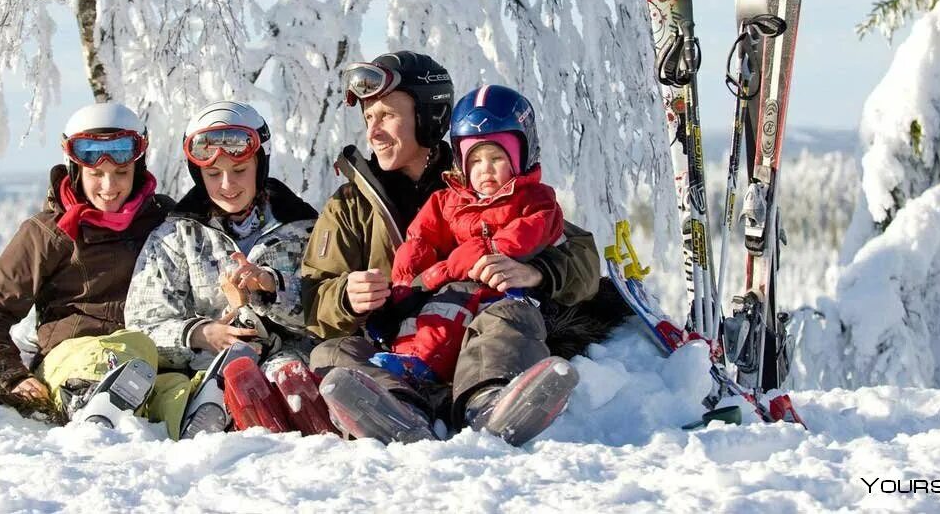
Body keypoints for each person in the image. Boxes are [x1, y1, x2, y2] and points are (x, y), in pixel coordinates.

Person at [300, 51, 601, 446]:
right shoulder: (351, 206)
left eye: (387, 115)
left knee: (508, 320)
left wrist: (539, 271)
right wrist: (346, 297)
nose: (373, 131)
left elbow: (580, 257)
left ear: (428, 117)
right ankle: (399, 412)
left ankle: (489, 404)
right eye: (368, 118)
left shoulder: (482, 179)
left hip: (477, 344)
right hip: (403, 352)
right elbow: (314, 301)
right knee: (330, 353)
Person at [125, 101, 333, 438]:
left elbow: (332, 310)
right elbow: (141, 327)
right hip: (209, 370)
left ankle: (311, 430)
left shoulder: (304, 230)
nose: (227, 184)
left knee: (288, 374)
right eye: (212, 174)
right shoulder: (176, 237)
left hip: (293, 359)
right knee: (232, 374)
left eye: (239, 170)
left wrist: (272, 289)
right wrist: (200, 334)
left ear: (259, 164)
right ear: (198, 175)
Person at [0, 102, 173, 428]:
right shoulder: (49, 233)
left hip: (151, 359)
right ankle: (89, 405)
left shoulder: (161, 220)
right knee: (121, 354)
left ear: (138, 169)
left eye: (121, 173)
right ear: (76, 170)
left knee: (172, 388)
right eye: (96, 174)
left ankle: (194, 416)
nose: (109, 186)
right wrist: (11, 376)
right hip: (72, 359)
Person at [379, 84, 565, 384]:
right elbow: (421, 238)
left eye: (497, 158)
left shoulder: (534, 198)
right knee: (423, 310)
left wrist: (484, 250)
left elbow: (531, 230)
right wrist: (409, 278)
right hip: (455, 284)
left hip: (500, 287)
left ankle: (433, 371)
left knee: (456, 310)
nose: (485, 170)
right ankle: (404, 369)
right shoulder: (447, 200)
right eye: (475, 161)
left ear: (521, 156)